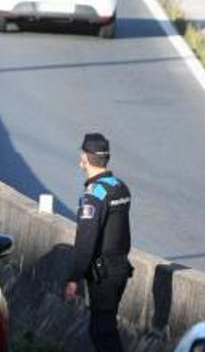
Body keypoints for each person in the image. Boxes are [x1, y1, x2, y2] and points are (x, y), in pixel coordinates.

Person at [64, 132, 133, 352]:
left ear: (85, 158)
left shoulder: (94, 195)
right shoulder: (120, 187)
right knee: (106, 327)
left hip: (103, 275)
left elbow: (86, 241)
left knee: (101, 332)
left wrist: (74, 277)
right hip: (120, 269)